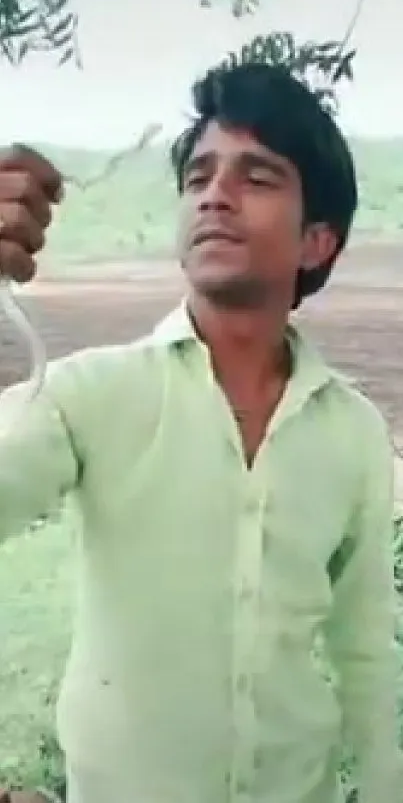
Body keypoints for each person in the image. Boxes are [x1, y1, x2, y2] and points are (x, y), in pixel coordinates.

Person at [0, 63, 400, 803]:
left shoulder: (352, 432)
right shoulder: (90, 394)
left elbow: (366, 651)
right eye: (197, 177)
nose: (214, 192)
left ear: (317, 241)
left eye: (256, 176)